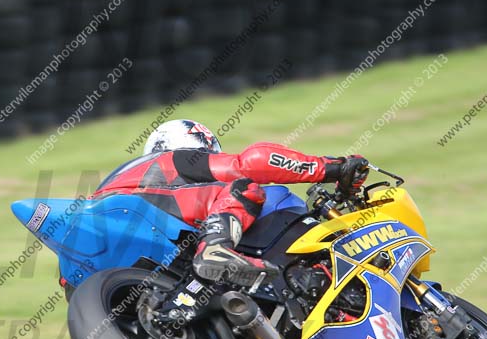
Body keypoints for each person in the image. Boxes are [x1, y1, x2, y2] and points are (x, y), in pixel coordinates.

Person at [93, 119, 369, 287]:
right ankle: (216, 249)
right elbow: (251, 163)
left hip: (105, 256)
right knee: (245, 186)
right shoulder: (174, 161)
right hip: (143, 215)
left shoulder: (120, 177)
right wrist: (332, 168)